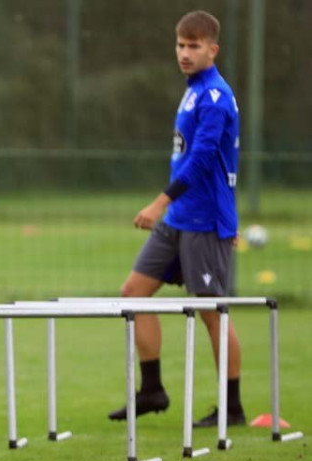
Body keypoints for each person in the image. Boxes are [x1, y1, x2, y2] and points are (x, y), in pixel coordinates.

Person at [108, 10, 245, 428]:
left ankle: (232, 407)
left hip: (205, 220)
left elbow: (203, 159)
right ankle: (152, 390)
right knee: (133, 293)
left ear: (212, 49)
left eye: (194, 46)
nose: (185, 53)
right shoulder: (192, 90)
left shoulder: (215, 96)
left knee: (211, 311)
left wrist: (159, 202)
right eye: (181, 45)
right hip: (180, 218)